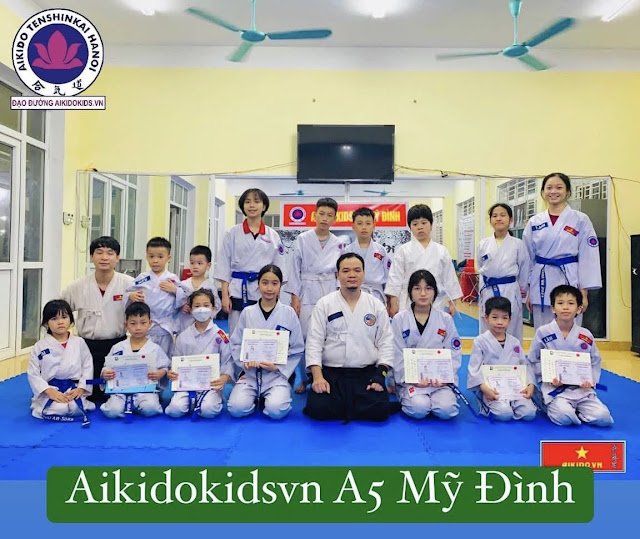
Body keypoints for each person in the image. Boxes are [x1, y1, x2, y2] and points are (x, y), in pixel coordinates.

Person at [303, 253, 394, 422]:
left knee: (379, 412)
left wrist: (380, 375)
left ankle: (350, 404)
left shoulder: (376, 305)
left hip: (365, 373)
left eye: (357, 270)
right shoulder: (325, 304)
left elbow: (386, 343)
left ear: (363, 274)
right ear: (337, 275)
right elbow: (314, 342)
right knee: (318, 409)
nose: (352, 275)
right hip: (332, 372)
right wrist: (317, 377)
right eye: (346, 271)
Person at [522, 173, 601, 330]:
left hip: (569, 279)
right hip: (541, 281)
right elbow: (527, 258)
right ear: (543, 192)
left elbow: (588, 256)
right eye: (549, 188)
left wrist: (583, 292)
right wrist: (528, 291)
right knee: (543, 330)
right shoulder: (534, 222)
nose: (553, 191)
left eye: (559, 187)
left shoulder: (580, 220)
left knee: (570, 329)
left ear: (567, 191)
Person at [528, 285, 613, 427]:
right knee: (565, 417)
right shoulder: (543, 332)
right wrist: (548, 376)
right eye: (560, 303)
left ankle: (578, 410)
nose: (565, 307)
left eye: (571, 303)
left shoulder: (585, 335)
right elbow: (532, 360)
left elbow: (595, 361)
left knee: (603, 418)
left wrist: (590, 379)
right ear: (553, 308)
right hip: (554, 389)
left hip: (581, 389)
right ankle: (547, 403)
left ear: (579, 309)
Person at [61, 236, 133, 403]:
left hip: (118, 345)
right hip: (87, 347)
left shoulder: (129, 284)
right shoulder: (77, 286)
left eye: (110, 253)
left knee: (115, 394)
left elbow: (142, 313)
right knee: (90, 394)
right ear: (91, 256)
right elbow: (59, 311)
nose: (104, 257)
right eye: (99, 252)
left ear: (117, 257)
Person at [228, 264, 304, 419]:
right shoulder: (248, 312)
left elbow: (297, 348)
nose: (269, 288)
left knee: (276, 411)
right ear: (258, 284)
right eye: (265, 283)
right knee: (236, 409)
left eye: (274, 283)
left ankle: (272, 397)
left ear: (280, 286)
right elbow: (235, 343)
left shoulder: (288, 313)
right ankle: (256, 399)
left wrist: (278, 367)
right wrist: (245, 362)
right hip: (250, 374)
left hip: (276, 375)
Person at [285, 197, 344, 393]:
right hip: (307, 289)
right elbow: (295, 268)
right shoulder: (303, 239)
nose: (325, 218)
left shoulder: (338, 243)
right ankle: (305, 378)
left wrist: (340, 296)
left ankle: (325, 376)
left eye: (329, 215)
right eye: (321, 214)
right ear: (314, 215)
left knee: (329, 335)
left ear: (335, 218)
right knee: (304, 335)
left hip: (329, 289)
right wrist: (295, 297)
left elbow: (340, 272)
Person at [391, 270, 462, 420]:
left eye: (428, 288)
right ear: (410, 292)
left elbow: (454, 351)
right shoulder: (399, 320)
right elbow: (396, 354)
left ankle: (439, 396)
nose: (423, 293)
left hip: (439, 382)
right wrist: (411, 379)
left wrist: (445, 377)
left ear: (435, 292)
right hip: (411, 380)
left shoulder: (445, 319)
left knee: (447, 409)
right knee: (419, 409)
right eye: (417, 288)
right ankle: (407, 394)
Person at [215, 188, 286, 337]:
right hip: (238, 289)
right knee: (237, 332)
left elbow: (279, 267)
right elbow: (223, 264)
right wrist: (225, 296)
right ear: (242, 206)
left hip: (264, 288)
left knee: (263, 331)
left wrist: (276, 293)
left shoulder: (272, 235)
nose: (251, 205)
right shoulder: (232, 233)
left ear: (264, 206)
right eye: (247, 202)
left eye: (256, 201)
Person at [166, 289, 233, 419]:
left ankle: (203, 403)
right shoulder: (183, 336)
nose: (201, 309)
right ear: (190, 310)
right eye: (197, 306)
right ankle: (192, 403)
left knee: (209, 410)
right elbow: (175, 360)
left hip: (211, 384)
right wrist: (172, 372)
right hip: (186, 384)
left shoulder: (220, 335)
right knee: (175, 410)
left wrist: (224, 377)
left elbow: (227, 361)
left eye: (206, 305)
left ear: (213, 308)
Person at [467, 296, 537, 421]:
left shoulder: (514, 342)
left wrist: (530, 384)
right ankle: (489, 403)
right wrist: (484, 388)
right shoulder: (480, 341)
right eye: (495, 317)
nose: (499, 322)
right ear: (486, 318)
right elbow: (474, 368)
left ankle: (512, 404)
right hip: (492, 389)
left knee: (529, 413)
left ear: (510, 319)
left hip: (514, 387)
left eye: (504, 318)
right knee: (504, 414)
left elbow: (524, 365)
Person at [386, 204, 462, 318]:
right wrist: (393, 302)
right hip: (409, 302)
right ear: (410, 227)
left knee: (433, 327)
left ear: (431, 225)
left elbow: (449, 277)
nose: (420, 227)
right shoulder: (403, 251)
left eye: (424, 223)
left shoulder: (441, 251)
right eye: (415, 224)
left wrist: (452, 302)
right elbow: (395, 277)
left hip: (435, 302)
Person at [27, 300, 95, 421]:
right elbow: (33, 373)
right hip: (51, 389)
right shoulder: (40, 346)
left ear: (71, 320)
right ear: (46, 323)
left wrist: (81, 388)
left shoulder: (79, 342)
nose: (60, 322)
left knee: (75, 407)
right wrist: (49, 391)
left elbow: (88, 366)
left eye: (64, 317)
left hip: (73, 388)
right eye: (54, 319)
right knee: (59, 408)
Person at [100, 302, 169, 418]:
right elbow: (106, 367)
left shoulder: (154, 348)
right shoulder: (118, 347)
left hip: (145, 391)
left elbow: (165, 368)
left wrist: (160, 373)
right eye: (133, 323)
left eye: (143, 323)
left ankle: (135, 406)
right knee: (113, 411)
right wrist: (105, 373)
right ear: (126, 325)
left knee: (151, 408)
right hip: (121, 390)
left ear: (150, 323)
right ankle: (127, 406)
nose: (138, 328)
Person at [477, 203, 530, 342]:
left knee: (511, 326)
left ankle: (512, 355)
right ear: (490, 220)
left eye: (502, 215)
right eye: (494, 216)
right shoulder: (483, 244)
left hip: (510, 290)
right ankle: (487, 355)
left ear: (510, 219)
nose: (498, 219)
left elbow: (524, 269)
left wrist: (523, 291)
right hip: (488, 290)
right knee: (488, 325)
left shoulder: (518, 244)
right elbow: (481, 268)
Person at [126, 237, 179, 356]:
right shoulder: (142, 278)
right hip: (146, 325)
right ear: (146, 257)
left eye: (160, 257)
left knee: (165, 356)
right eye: (151, 256)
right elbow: (127, 294)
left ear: (168, 258)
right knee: (145, 355)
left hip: (165, 326)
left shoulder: (172, 279)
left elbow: (183, 298)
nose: (155, 261)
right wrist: (131, 296)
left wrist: (175, 291)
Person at [343, 207, 391, 304]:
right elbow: (342, 277)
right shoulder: (347, 250)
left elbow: (389, 277)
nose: (364, 227)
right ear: (353, 227)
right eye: (360, 223)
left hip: (376, 296)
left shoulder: (381, 250)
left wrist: (390, 301)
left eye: (368, 223)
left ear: (374, 227)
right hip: (353, 295)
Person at [175, 245, 222, 333]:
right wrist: (181, 307)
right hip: (185, 324)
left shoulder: (210, 287)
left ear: (208, 265)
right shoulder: (183, 284)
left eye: (199, 263)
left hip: (203, 325)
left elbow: (217, 306)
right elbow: (176, 302)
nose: (195, 266)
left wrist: (206, 312)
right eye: (192, 263)